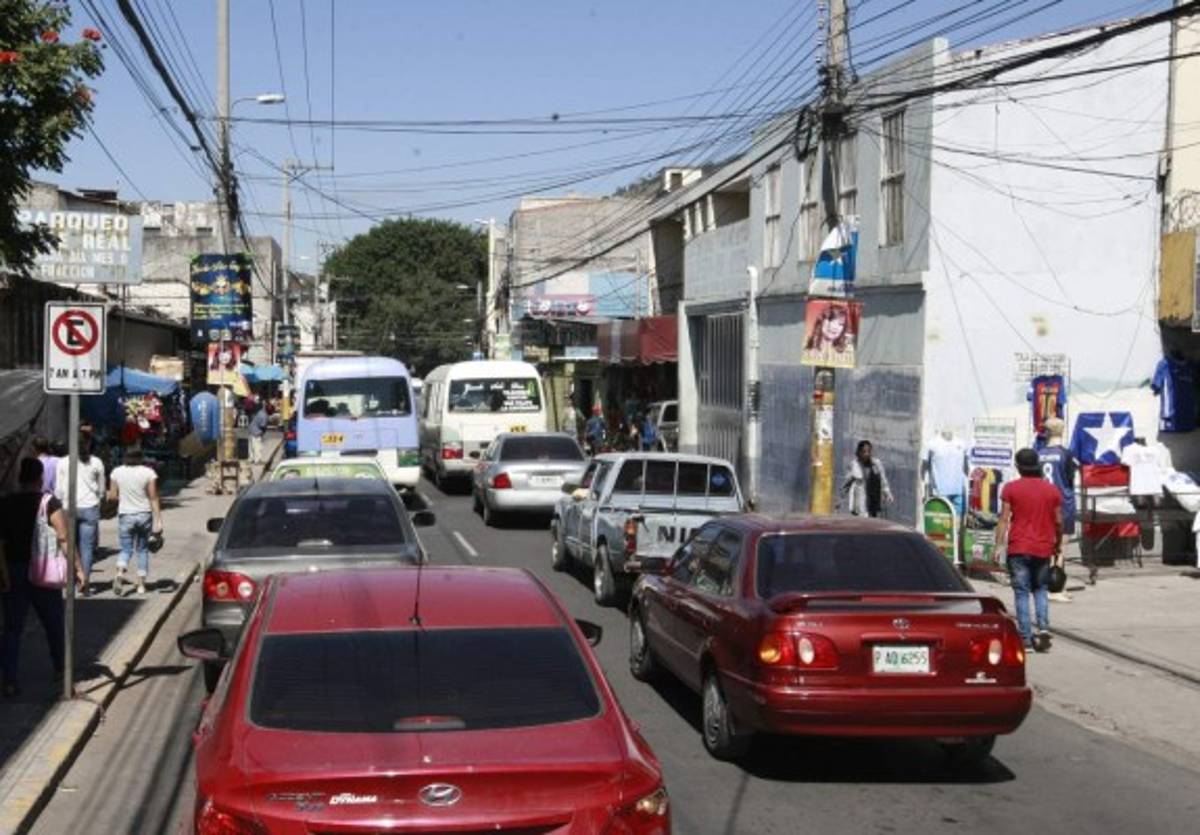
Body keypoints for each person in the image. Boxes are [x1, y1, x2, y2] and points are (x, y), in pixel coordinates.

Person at [0, 458, 68, 697]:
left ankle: (9, 680)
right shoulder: (49, 502)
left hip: (14, 571)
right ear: (40, 478)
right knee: (53, 622)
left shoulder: (6, 503)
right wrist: (77, 568)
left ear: (20, 478)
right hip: (43, 570)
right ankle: (61, 668)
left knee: (12, 628)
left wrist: (4, 574)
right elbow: (63, 537)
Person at [995, 448, 1063, 653]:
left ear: (1018, 467)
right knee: (1041, 588)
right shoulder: (1052, 490)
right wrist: (1058, 544)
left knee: (1022, 592)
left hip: (1018, 548)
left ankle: (1025, 638)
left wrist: (999, 545)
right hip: (1043, 547)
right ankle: (1043, 628)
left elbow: (1004, 519)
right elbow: (1059, 521)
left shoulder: (1011, 488)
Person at [106, 447, 163, 596]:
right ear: (140, 458)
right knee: (142, 550)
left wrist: (120, 497)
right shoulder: (148, 472)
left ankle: (120, 573)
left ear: (125, 457)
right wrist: (158, 520)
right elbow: (153, 497)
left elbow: (112, 496)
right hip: (144, 515)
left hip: (125, 515)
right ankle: (141, 585)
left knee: (126, 549)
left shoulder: (116, 472)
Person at [55, 433, 105, 593]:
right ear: (88, 444)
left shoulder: (63, 462)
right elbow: (102, 489)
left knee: (69, 545)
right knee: (87, 548)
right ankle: (85, 583)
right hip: (90, 507)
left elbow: (58, 490)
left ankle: (72, 580)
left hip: (68, 507)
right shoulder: (96, 462)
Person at [842, 440, 893, 518]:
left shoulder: (876, 464)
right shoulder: (853, 465)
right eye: (864, 452)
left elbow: (883, 479)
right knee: (863, 520)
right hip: (860, 501)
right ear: (859, 453)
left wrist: (887, 493)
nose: (867, 454)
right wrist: (841, 498)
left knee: (874, 520)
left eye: (869, 451)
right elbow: (847, 483)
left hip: (874, 499)